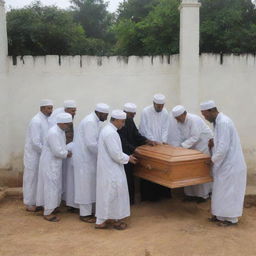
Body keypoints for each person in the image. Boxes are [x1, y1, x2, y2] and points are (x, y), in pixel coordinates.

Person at [200, 100, 247, 226]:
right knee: (220, 191)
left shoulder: (224, 122)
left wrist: (212, 160)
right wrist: (213, 142)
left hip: (231, 165)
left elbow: (223, 147)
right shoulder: (218, 122)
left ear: (211, 110)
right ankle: (220, 216)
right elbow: (221, 142)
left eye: (205, 115)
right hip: (224, 165)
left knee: (229, 193)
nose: (205, 117)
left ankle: (231, 219)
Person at [95, 110, 137, 230]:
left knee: (107, 194)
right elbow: (116, 154)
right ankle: (115, 220)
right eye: (122, 122)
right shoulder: (111, 133)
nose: (123, 125)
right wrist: (128, 158)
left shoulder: (108, 130)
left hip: (108, 168)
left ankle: (102, 221)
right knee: (114, 193)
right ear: (116, 120)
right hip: (111, 169)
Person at [73, 103, 110, 223]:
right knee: (85, 187)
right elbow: (91, 144)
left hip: (88, 159)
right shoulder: (90, 122)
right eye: (105, 115)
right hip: (85, 160)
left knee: (89, 186)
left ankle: (90, 211)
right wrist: (103, 153)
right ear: (99, 113)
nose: (107, 117)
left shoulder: (94, 121)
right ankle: (84, 214)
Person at [172, 105, 213, 203]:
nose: (177, 120)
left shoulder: (194, 119)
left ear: (184, 114)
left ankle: (203, 195)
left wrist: (181, 147)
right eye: (176, 118)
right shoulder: (179, 122)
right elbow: (181, 136)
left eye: (178, 118)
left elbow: (195, 137)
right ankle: (190, 194)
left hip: (203, 145)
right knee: (189, 170)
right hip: (191, 147)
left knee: (201, 170)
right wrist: (178, 147)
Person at [36, 113, 73, 222]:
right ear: (61, 123)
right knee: (50, 187)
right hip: (50, 163)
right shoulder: (53, 132)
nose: (68, 127)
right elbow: (57, 151)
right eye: (67, 124)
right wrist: (67, 153)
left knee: (54, 186)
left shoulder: (60, 131)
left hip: (55, 163)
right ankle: (48, 212)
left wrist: (65, 151)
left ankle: (51, 207)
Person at [118, 103, 156, 205]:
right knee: (126, 179)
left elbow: (136, 134)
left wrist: (147, 141)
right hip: (123, 155)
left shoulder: (129, 120)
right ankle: (126, 202)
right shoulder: (119, 123)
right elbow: (123, 141)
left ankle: (130, 201)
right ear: (125, 113)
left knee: (131, 179)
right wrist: (134, 149)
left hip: (131, 153)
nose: (134, 116)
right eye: (132, 114)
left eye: (134, 114)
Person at [139, 94, 171, 201]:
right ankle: (149, 196)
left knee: (161, 169)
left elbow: (165, 128)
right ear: (154, 104)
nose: (160, 108)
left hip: (160, 145)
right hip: (149, 144)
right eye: (158, 106)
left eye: (162, 106)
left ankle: (161, 195)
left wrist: (163, 141)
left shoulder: (165, 112)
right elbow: (144, 128)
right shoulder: (145, 111)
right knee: (149, 169)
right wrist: (153, 141)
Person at [23, 99, 53, 212]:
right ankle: (29, 203)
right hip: (34, 155)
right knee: (31, 178)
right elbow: (35, 143)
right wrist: (47, 152)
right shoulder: (36, 121)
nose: (51, 110)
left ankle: (36, 201)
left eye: (51, 108)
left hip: (41, 154)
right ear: (42, 108)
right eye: (48, 108)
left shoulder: (45, 120)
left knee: (38, 179)